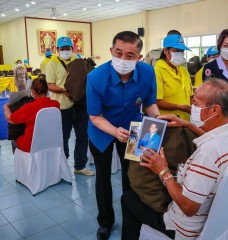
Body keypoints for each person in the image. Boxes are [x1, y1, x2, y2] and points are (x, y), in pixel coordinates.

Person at [121, 79, 228, 240]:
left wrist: (162, 171)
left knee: (128, 199)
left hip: (185, 228)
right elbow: (211, 138)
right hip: (217, 216)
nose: (191, 107)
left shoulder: (207, 155)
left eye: (195, 103)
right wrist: (187, 124)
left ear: (215, 110)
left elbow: (188, 208)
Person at [86, 31, 160, 240]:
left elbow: (150, 103)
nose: (123, 59)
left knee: (132, 177)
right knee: (103, 178)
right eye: (119, 53)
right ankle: (105, 221)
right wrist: (114, 131)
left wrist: (158, 119)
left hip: (133, 130)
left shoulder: (147, 73)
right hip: (102, 131)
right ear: (111, 51)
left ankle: (132, 219)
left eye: (130, 55)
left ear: (138, 56)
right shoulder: (95, 78)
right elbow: (94, 116)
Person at [46, 36, 94, 176]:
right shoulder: (52, 63)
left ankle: (79, 166)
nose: (66, 51)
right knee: (64, 136)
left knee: (82, 136)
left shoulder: (77, 59)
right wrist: (63, 91)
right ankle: (63, 166)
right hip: (63, 106)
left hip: (80, 104)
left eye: (68, 48)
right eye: (63, 49)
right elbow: (50, 85)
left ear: (72, 48)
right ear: (57, 49)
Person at [3, 76, 60, 153]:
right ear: (47, 90)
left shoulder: (29, 107)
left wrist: (6, 107)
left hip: (31, 145)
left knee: (14, 140)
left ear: (33, 92)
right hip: (50, 142)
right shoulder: (56, 104)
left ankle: (21, 164)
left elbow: (10, 119)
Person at [202, 29, 228, 114]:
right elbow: (208, 95)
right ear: (220, 46)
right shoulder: (210, 67)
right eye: (226, 45)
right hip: (215, 114)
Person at [155, 34, 193, 120]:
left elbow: (190, 96)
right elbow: (157, 101)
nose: (180, 54)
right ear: (166, 51)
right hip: (169, 122)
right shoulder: (158, 71)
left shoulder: (184, 71)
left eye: (182, 51)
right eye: (177, 51)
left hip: (186, 120)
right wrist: (181, 107)